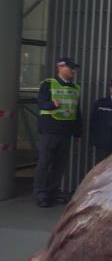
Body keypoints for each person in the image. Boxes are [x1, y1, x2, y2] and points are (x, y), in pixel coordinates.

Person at [33, 56, 82, 208]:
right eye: (70, 67)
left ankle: (53, 192)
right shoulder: (48, 84)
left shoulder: (76, 87)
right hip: (49, 130)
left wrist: (78, 132)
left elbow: (76, 111)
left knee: (59, 165)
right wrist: (52, 104)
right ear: (60, 67)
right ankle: (41, 194)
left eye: (74, 68)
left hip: (66, 131)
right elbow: (41, 103)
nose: (73, 71)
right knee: (44, 163)